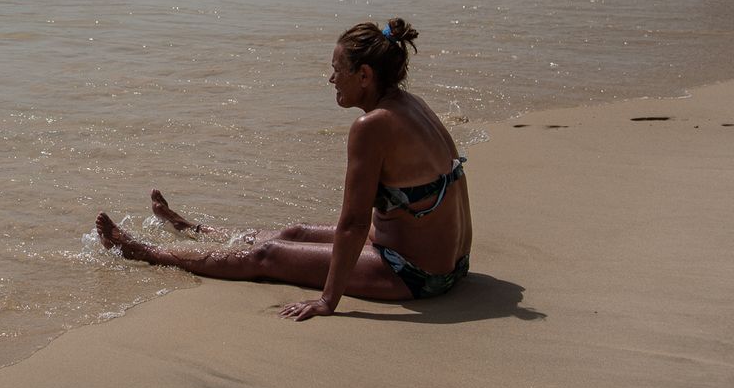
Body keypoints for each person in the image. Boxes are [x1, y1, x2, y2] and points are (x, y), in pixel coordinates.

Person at [95, 18, 471, 320]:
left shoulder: (372, 126)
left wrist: (327, 300)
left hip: (418, 275)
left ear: (365, 75)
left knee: (269, 255)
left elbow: (355, 224)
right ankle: (192, 230)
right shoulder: (411, 104)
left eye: (337, 69)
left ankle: (146, 252)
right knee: (296, 232)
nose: (331, 79)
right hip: (449, 262)